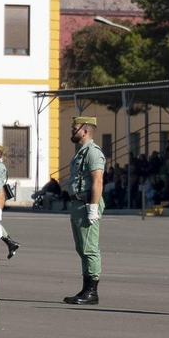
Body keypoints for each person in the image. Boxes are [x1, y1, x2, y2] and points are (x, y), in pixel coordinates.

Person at [64, 116, 105, 305]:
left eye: (74, 128)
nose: (72, 131)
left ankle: (92, 291)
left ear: (85, 130)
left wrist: (93, 207)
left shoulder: (93, 153)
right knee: (81, 248)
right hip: (78, 203)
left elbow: (97, 180)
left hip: (87, 202)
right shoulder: (81, 152)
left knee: (89, 248)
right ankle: (85, 288)